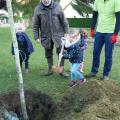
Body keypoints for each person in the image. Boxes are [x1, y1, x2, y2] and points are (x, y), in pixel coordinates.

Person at [32, 0, 69, 77]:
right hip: (46, 36)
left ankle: (61, 71)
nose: (46, 0)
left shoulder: (58, 7)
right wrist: (36, 36)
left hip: (59, 35)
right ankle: (50, 68)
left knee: (61, 53)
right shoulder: (38, 9)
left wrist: (66, 33)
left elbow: (64, 21)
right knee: (48, 53)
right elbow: (35, 25)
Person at [87, 0, 120, 80]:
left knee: (108, 55)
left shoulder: (116, 1)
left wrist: (115, 34)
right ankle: (94, 71)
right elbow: (94, 15)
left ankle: (106, 74)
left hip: (110, 32)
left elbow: (118, 18)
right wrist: (92, 29)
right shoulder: (97, 1)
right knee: (95, 52)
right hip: (99, 31)